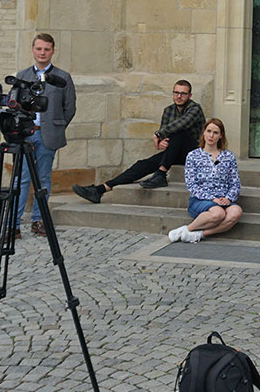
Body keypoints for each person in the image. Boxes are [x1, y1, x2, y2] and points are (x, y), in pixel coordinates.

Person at [72, 79, 205, 203]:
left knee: (179, 131)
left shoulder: (195, 109)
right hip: (175, 152)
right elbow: (165, 135)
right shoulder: (168, 110)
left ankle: (161, 174)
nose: (179, 96)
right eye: (176, 92)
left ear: (190, 95)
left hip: (194, 152)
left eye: (183, 93)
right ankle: (100, 190)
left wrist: (158, 135)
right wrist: (162, 141)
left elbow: (180, 124)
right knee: (143, 164)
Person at [14, 33, 76, 238]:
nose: (42, 53)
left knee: (43, 180)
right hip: (26, 134)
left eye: (46, 49)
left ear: (52, 51)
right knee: (20, 180)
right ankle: (13, 224)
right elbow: (13, 103)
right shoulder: (22, 75)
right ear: (33, 50)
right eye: (39, 48)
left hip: (46, 135)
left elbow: (69, 108)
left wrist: (55, 126)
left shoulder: (63, 77)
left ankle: (38, 220)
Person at [167, 118, 242, 243]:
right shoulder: (193, 156)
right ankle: (187, 229)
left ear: (221, 136)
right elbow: (191, 185)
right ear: (204, 133)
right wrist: (212, 198)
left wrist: (229, 197)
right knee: (218, 213)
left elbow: (235, 182)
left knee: (236, 212)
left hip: (223, 199)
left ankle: (199, 235)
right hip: (201, 199)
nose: (211, 136)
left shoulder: (228, 156)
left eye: (215, 132)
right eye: (209, 131)